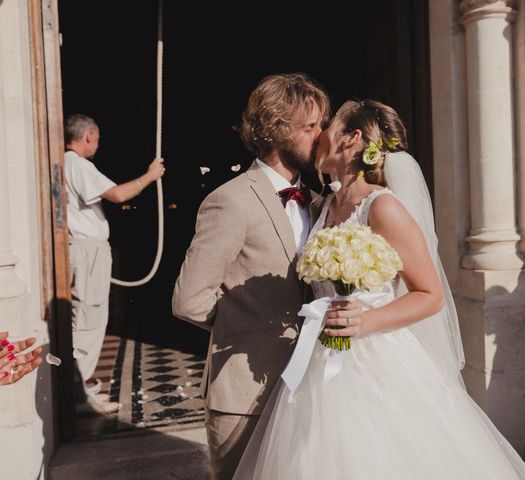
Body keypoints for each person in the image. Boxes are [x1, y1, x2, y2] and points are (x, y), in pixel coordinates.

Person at [233, 100, 525, 479]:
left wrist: (365, 320)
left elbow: (430, 295)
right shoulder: (326, 203)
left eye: (329, 125)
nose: (319, 134)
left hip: (376, 363)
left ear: (352, 139)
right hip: (321, 359)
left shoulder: (382, 207)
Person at [172, 73, 331, 479]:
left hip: (311, 391)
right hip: (244, 398)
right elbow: (189, 300)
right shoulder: (230, 200)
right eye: (311, 127)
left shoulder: (320, 203)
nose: (322, 136)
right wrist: (246, 324)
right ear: (277, 129)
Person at [64, 114, 165, 415]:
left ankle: (76, 387)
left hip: (82, 251)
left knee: (84, 317)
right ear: (88, 136)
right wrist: (150, 175)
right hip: (86, 251)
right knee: (88, 320)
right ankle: (78, 396)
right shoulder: (78, 165)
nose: (97, 143)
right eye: (96, 137)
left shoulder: (65, 164)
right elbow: (119, 194)